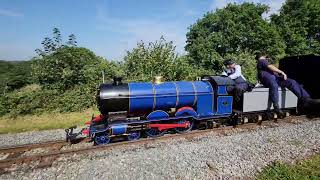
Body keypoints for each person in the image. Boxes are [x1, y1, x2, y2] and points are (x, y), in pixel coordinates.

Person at [255, 52, 319, 113]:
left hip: (276, 79)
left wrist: (280, 76)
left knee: (291, 82)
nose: (267, 58)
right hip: (269, 80)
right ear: (262, 56)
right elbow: (271, 67)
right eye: (266, 57)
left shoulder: (263, 62)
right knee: (274, 85)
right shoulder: (261, 61)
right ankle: (276, 106)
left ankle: (305, 99)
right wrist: (281, 72)